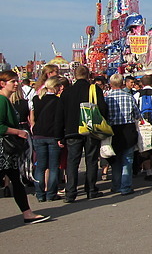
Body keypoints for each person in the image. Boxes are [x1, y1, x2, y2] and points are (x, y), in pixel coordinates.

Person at [0, 70, 49, 224]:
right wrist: (18, 132)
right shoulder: (2, 101)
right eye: (12, 81)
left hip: (8, 150)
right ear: (2, 84)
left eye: (17, 81)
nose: (16, 84)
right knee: (15, 179)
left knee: (16, 180)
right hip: (3, 149)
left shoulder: (7, 100)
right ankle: (27, 213)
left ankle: (27, 213)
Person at [61, 65, 108, 202]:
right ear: (88, 75)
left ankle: (70, 193)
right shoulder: (94, 90)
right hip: (90, 129)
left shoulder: (67, 92)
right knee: (91, 160)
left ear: (74, 76)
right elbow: (102, 108)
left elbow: (60, 114)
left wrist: (60, 134)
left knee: (72, 162)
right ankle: (91, 189)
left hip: (71, 131)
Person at [31, 76, 66, 202]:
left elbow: (33, 117)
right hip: (52, 136)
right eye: (59, 86)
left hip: (39, 135)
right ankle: (51, 193)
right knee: (53, 166)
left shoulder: (37, 99)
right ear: (55, 87)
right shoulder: (58, 101)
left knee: (40, 166)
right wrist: (60, 137)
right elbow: (59, 121)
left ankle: (40, 194)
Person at [105, 73, 141, 196]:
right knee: (127, 160)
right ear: (122, 84)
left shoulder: (107, 98)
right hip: (128, 130)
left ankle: (116, 185)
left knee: (115, 160)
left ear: (111, 84)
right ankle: (125, 187)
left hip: (113, 131)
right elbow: (137, 114)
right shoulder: (129, 97)